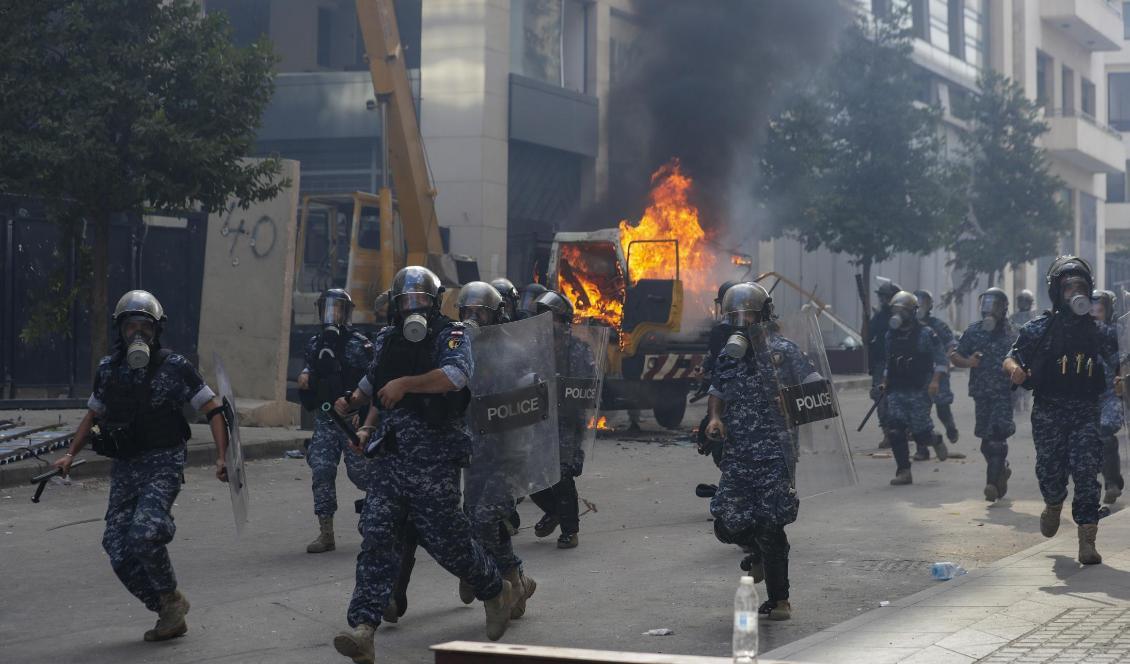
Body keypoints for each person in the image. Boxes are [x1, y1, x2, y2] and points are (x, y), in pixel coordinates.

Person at [331, 267, 515, 663]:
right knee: (377, 535)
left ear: (434, 303)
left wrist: (406, 384)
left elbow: (455, 377)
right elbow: (374, 382)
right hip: (393, 457)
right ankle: (363, 628)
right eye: (406, 301)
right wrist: (355, 407)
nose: (413, 307)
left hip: (434, 457)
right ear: (396, 306)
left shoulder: (452, 335)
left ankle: (494, 588)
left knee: (448, 540)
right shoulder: (387, 339)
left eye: (420, 300)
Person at [51, 290, 230, 642]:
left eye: (144, 326)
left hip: (163, 462)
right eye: (131, 325)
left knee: (145, 533)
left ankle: (161, 539)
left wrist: (223, 457)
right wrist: (70, 454)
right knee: (116, 546)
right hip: (126, 467)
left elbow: (213, 410)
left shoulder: (175, 367)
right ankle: (168, 605)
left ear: (156, 330)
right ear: (121, 329)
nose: (137, 333)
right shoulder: (108, 370)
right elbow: (93, 415)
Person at [704, 282, 808, 621]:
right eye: (735, 315)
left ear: (764, 314)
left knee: (771, 524)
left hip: (775, 453)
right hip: (738, 453)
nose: (742, 321)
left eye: (748, 314)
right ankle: (760, 553)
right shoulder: (729, 354)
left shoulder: (785, 351)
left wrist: (790, 401)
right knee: (727, 521)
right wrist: (716, 418)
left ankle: (780, 600)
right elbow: (718, 389)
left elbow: (816, 391)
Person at [1004, 256, 1117, 565]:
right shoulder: (1039, 328)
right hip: (1049, 412)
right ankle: (1053, 504)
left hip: (1085, 412)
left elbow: (1121, 358)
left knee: (1085, 473)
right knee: (1051, 472)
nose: (1074, 293)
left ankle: (1087, 540)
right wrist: (1015, 370)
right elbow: (1010, 357)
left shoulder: (1099, 332)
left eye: (1080, 286)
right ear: (1057, 292)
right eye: (1068, 288)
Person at [297, 289, 375, 553]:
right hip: (325, 420)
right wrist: (306, 375)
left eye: (338, 309)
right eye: (329, 308)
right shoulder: (315, 343)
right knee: (321, 470)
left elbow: (374, 379)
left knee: (362, 475)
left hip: (351, 420)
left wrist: (362, 415)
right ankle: (326, 532)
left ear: (347, 312)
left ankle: (378, 519)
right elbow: (312, 367)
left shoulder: (360, 344)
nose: (333, 314)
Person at [529, 290, 594, 550]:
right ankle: (554, 511)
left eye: (552, 318)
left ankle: (570, 530)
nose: (546, 323)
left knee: (562, 475)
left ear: (564, 321)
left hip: (566, 420)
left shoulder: (578, 350)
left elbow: (585, 387)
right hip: (534, 417)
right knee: (530, 475)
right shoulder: (532, 347)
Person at [949, 288, 1017, 502]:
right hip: (981, 393)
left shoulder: (1013, 333)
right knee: (986, 443)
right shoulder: (974, 332)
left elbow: (1027, 357)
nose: (989, 309)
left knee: (997, 439)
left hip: (1004, 394)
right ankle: (1001, 470)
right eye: (986, 303)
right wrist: (968, 362)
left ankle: (991, 485)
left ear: (1003, 308)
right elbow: (955, 355)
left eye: (994, 304)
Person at [882, 291, 949, 485]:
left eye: (902, 311)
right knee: (895, 429)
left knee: (920, 434)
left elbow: (941, 360)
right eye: (895, 310)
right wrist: (885, 381)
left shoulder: (926, 334)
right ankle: (904, 471)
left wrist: (935, 381)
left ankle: (934, 439)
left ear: (912, 312)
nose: (898, 314)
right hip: (897, 389)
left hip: (919, 389)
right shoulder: (890, 335)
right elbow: (889, 362)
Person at [915, 289, 960, 448]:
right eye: (917, 302)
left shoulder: (937, 325)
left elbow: (952, 344)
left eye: (924, 303)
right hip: (919, 375)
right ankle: (922, 449)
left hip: (938, 373)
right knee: (920, 414)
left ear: (929, 305)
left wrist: (946, 359)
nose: (920, 306)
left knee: (942, 409)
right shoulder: (910, 327)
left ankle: (950, 427)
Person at [1091, 289, 1124, 505]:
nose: (1094, 314)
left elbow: (1123, 356)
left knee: (1105, 435)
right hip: (1087, 395)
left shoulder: (1117, 331)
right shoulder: (1079, 331)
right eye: (1091, 309)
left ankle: (1112, 484)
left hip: (1111, 393)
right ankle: (1093, 487)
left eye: (1099, 310)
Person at [868, 278, 901, 448]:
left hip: (900, 365)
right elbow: (868, 337)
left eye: (886, 297)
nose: (883, 301)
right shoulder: (879, 317)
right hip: (881, 363)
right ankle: (888, 433)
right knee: (880, 397)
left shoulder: (903, 317)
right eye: (882, 297)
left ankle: (904, 430)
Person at [1010, 289, 1037, 414]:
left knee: (1028, 379)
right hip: (1016, 352)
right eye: (1021, 300)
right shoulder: (1013, 317)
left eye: (1026, 300)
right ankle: (1017, 405)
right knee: (1015, 377)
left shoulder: (1034, 317)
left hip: (1029, 353)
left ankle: (1026, 404)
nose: (1023, 303)